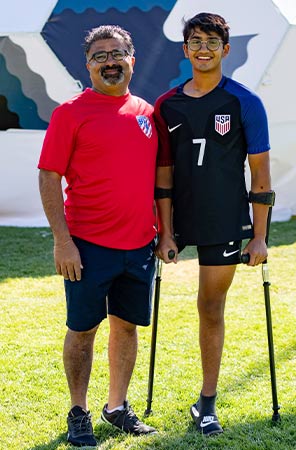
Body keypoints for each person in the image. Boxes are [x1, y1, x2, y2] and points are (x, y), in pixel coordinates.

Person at [38, 25, 158, 447]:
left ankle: (117, 407)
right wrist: (62, 240)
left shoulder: (146, 112)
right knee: (83, 329)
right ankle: (78, 411)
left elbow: (156, 179)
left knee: (126, 328)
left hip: (141, 245)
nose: (110, 62)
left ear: (132, 58)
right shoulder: (70, 113)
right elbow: (49, 176)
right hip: (87, 246)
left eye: (117, 53)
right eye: (99, 56)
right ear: (87, 65)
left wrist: (163, 233)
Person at [154, 12, 273, 436]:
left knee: (210, 306)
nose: (203, 48)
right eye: (195, 41)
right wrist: (165, 232)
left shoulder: (245, 102)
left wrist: (259, 237)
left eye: (212, 42)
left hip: (224, 220)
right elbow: (163, 173)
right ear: (185, 50)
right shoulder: (166, 105)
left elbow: (260, 176)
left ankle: (206, 402)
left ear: (226, 50)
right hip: (180, 217)